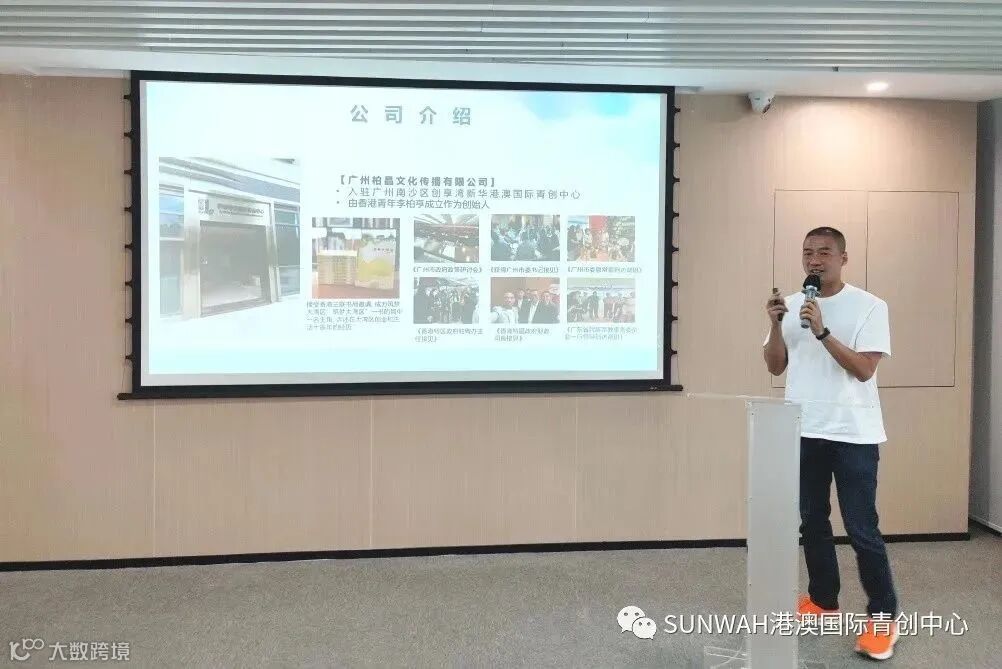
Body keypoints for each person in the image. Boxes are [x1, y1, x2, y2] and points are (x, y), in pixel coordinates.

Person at [763, 226, 898, 661]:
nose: (814, 260)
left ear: (843, 258)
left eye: (824, 252)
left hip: (853, 434)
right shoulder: (792, 304)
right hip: (804, 430)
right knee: (812, 522)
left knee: (862, 529)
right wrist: (775, 326)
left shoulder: (870, 306)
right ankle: (824, 601)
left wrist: (822, 332)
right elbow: (775, 367)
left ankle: (883, 618)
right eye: (808, 253)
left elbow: (863, 369)